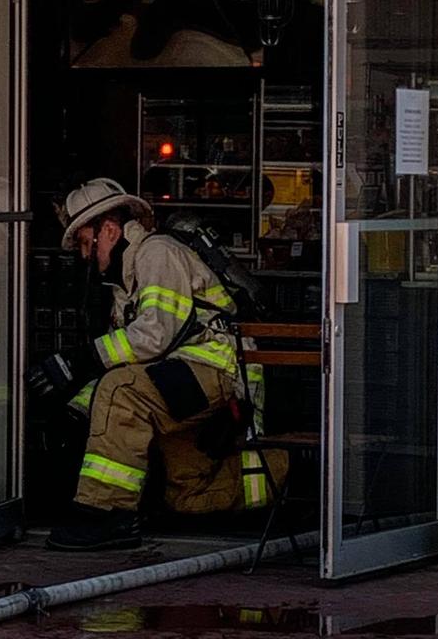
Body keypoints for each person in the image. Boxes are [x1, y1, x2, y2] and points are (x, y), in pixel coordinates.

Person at [27, 178, 280, 551]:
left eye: (84, 242)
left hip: (214, 369)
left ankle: (108, 514)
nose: (84, 255)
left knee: (123, 393)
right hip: (181, 376)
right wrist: (76, 410)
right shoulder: (124, 283)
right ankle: (286, 470)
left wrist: (79, 361)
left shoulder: (156, 253)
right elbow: (122, 358)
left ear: (108, 230)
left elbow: (154, 335)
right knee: (187, 494)